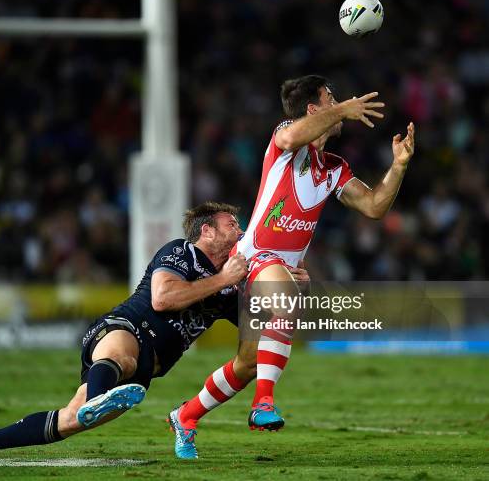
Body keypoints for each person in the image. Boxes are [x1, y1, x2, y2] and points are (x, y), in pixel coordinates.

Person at [0, 201, 309, 461]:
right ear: (206, 232)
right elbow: (162, 298)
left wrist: (289, 288)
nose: (241, 231)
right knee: (121, 356)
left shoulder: (230, 288)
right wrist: (222, 277)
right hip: (125, 328)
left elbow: (266, 327)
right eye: (232, 225)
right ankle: (100, 393)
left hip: (145, 373)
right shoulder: (181, 252)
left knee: (70, 421)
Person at [168, 75, 415, 459]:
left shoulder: (333, 167)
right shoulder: (286, 140)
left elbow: (373, 206)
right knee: (287, 301)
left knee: (248, 363)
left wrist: (397, 166)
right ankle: (263, 405)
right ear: (315, 109)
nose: (341, 104)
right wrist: (344, 110)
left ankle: (185, 416)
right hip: (252, 260)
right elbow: (288, 137)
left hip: (282, 268)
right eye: (331, 98)